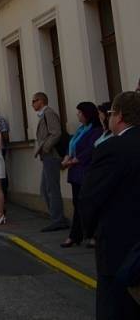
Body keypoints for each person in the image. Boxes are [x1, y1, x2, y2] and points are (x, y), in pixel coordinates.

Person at [80, 91, 140, 320]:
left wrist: (91, 231)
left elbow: (90, 197)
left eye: (111, 114)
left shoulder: (112, 148)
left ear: (120, 116)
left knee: (116, 307)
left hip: (119, 246)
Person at [60, 102, 102, 248]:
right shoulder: (80, 130)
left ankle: (90, 235)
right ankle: (76, 235)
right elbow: (71, 145)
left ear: (86, 114)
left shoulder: (96, 130)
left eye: (79, 112)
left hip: (85, 171)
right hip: (75, 173)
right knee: (77, 204)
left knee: (86, 204)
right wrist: (67, 157)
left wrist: (74, 160)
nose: (77, 115)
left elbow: (91, 149)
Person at [32, 92, 69, 232]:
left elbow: (56, 132)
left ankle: (58, 219)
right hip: (47, 156)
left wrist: (46, 148)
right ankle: (57, 217)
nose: (32, 104)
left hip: (51, 155)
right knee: (45, 189)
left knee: (51, 189)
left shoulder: (48, 113)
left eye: (34, 101)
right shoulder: (44, 115)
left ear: (41, 101)